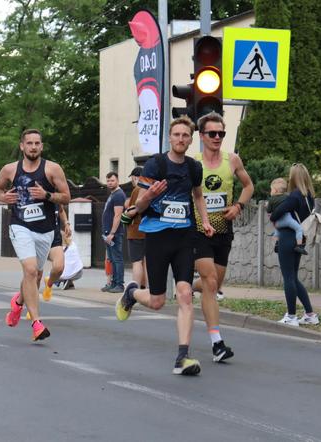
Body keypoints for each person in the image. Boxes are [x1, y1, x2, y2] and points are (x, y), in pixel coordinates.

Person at [115, 115, 214, 376]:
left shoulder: (194, 167)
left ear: (191, 140)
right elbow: (140, 206)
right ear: (170, 138)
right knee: (158, 301)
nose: (181, 139)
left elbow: (198, 196)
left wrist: (204, 221)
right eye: (177, 135)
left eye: (186, 136)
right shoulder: (156, 165)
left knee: (184, 294)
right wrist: (150, 194)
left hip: (184, 237)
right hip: (157, 237)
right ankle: (132, 293)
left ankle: (183, 356)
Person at [0, 128, 70, 341]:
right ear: (22, 146)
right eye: (29, 143)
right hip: (20, 225)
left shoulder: (53, 169)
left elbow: (66, 197)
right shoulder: (10, 169)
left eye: (37, 143)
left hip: (46, 229)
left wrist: (47, 195)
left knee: (34, 274)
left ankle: (18, 303)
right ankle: (36, 323)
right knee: (30, 270)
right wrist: (3, 197)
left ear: (41, 146)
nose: (33, 147)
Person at [191, 111, 254, 362]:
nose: (217, 137)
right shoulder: (193, 162)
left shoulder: (233, 160)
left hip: (223, 231)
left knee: (214, 284)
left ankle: (186, 284)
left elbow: (249, 186)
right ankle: (217, 343)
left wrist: (238, 206)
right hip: (198, 230)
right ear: (202, 135)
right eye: (212, 133)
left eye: (221, 133)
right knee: (211, 283)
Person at [269, 163, 320, 326]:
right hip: (299, 239)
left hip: (287, 238)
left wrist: (274, 217)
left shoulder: (294, 196)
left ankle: (291, 316)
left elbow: (275, 214)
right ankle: (310, 314)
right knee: (293, 277)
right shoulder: (309, 197)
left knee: (288, 277)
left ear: (294, 178)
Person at [267, 178, 307, 255]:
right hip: (287, 221)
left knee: (277, 231)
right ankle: (299, 245)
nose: (270, 191)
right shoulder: (287, 197)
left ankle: (277, 244)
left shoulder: (271, 199)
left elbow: (269, 211)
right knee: (299, 229)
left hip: (277, 223)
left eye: (271, 189)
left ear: (275, 190)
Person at [122, 166, 147, 288]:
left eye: (132, 177)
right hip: (148, 230)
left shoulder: (137, 189)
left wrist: (125, 213)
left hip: (136, 230)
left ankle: (134, 290)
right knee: (146, 262)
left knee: (136, 262)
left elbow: (132, 210)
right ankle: (147, 288)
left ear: (136, 177)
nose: (132, 180)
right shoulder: (150, 188)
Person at [101, 172, 125, 293]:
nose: (110, 183)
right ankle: (114, 283)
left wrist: (112, 233)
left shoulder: (119, 195)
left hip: (114, 234)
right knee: (112, 259)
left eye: (112, 180)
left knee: (117, 259)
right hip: (108, 233)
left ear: (117, 181)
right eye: (108, 181)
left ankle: (119, 284)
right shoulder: (113, 194)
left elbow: (118, 215)